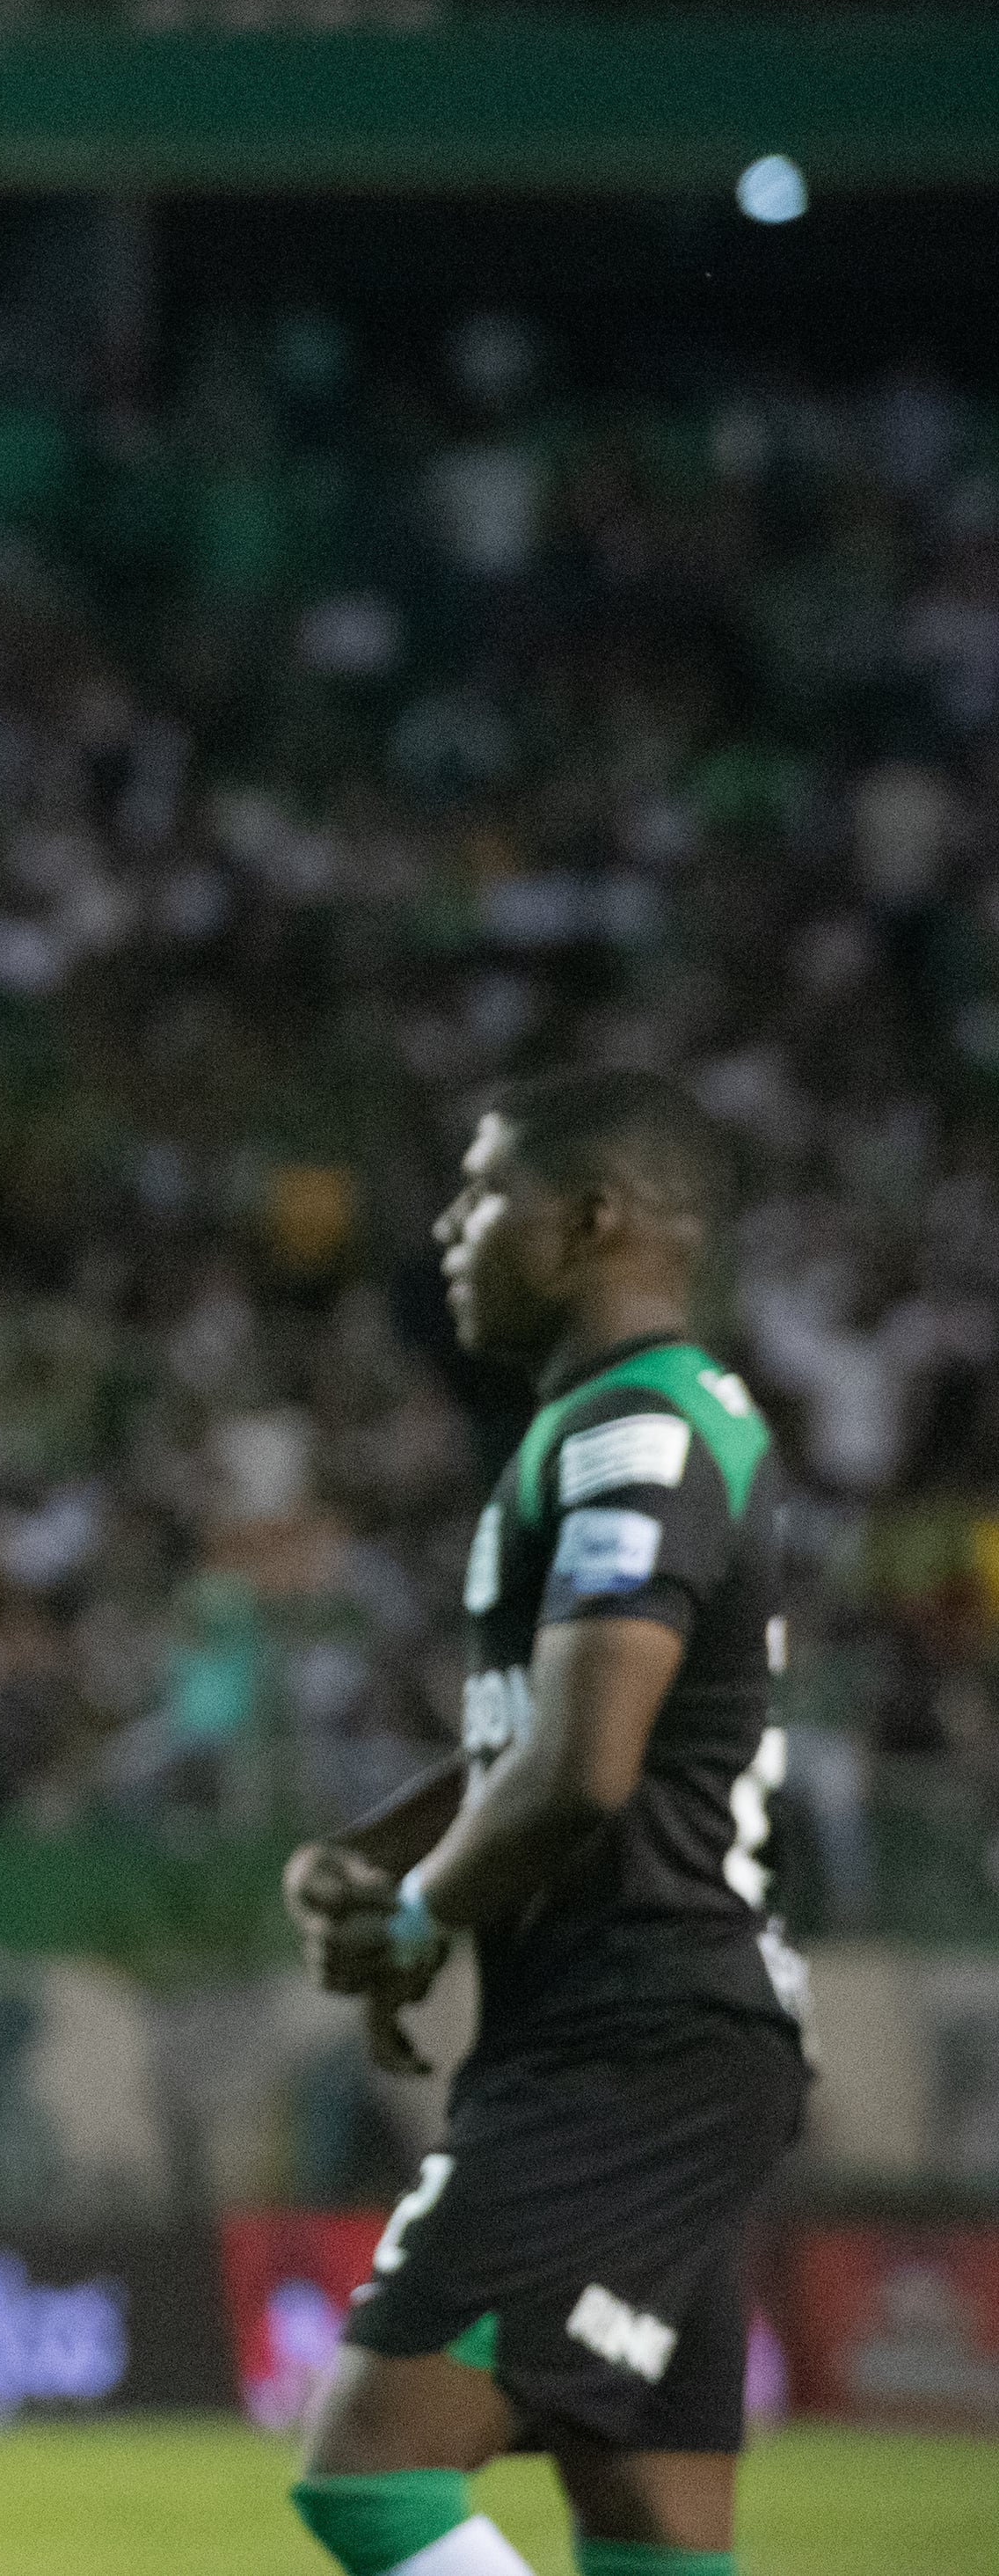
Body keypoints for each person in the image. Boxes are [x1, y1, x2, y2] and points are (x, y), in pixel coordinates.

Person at [273, 1071, 804, 2576]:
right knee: (650, 2526)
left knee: (370, 2469)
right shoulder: (630, 1420)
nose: (448, 1228)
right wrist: (391, 1848)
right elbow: (551, 1734)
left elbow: (585, 1767)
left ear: (589, 1220)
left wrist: (421, 1916)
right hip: (673, 2033)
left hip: (629, 2033)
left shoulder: (634, 1431)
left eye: (480, 1191)